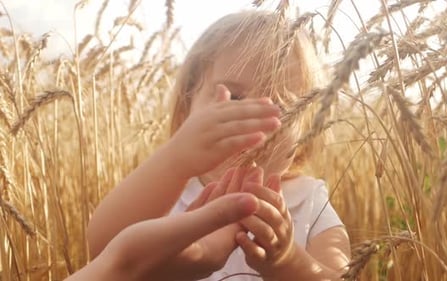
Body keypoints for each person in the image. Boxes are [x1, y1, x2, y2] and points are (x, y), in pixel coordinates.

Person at [87, 10, 350, 281]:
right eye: (234, 97)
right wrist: (175, 160)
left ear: (306, 128)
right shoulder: (167, 194)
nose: (252, 117)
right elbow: (103, 252)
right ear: (185, 112)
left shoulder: (309, 201)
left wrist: (288, 262)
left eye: (281, 106)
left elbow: (341, 277)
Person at [67, 181, 262, 281]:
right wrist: (127, 267)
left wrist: (284, 261)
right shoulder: (159, 192)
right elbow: (100, 245)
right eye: (235, 99)